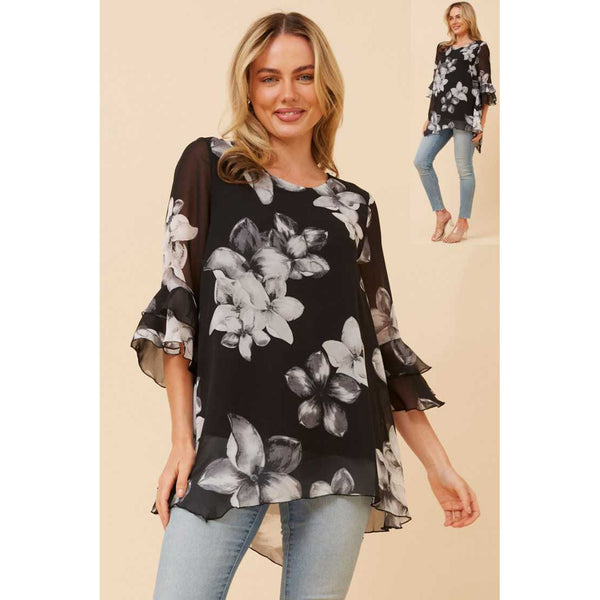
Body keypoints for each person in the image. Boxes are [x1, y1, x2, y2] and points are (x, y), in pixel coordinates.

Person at [130, 11, 480, 600]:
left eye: (304, 76)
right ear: (248, 87)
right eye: (269, 78)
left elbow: (380, 343)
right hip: (229, 446)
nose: (287, 94)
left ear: (327, 88)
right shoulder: (210, 167)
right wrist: (182, 443)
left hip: (339, 448)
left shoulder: (353, 208)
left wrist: (437, 464)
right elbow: (177, 307)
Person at [414, 2, 497, 243]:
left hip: (467, 116)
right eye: (451, 18)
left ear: (469, 18)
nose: (454, 21)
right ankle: (441, 213)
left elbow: (485, 87)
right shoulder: (443, 48)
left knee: (464, 168)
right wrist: (430, 117)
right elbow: (437, 85)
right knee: (421, 161)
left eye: (459, 16)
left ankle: (462, 222)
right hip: (441, 115)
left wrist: (481, 123)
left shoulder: (480, 48)